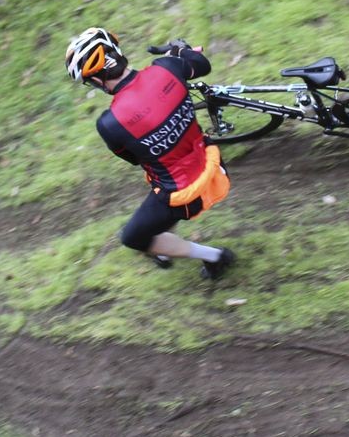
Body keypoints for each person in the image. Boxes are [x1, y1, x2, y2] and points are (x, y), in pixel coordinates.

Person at [65, 27, 236, 280]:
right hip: (212, 164)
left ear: (98, 81)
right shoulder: (167, 67)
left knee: (133, 237)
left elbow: (136, 159)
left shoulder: (109, 124)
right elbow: (201, 64)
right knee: (155, 209)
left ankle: (216, 257)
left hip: (181, 195)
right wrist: (180, 52)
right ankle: (165, 247)